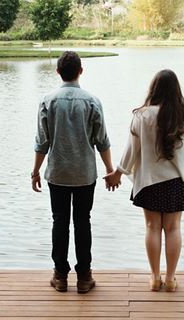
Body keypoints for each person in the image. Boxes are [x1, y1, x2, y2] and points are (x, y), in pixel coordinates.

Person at [104, 69, 184, 292]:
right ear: (177, 90)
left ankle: (155, 278)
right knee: (174, 228)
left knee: (152, 227)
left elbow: (131, 151)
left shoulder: (142, 115)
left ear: (153, 89)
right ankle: (171, 279)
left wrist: (118, 173)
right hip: (178, 181)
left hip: (149, 183)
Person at [31, 51, 115, 294]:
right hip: (85, 174)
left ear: (58, 72)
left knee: (59, 221)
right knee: (82, 222)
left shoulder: (48, 100)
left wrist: (35, 171)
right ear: (81, 71)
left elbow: (42, 142)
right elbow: (102, 140)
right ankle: (84, 277)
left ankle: (59, 276)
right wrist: (110, 169)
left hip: (57, 173)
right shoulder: (92, 101)